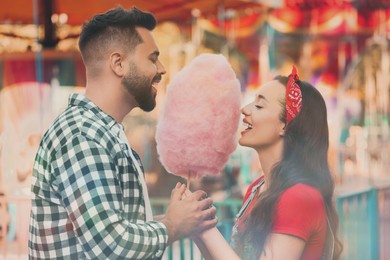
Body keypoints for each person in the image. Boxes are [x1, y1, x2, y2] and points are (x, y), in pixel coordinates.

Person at [29, 7, 217, 259]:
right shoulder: (83, 135)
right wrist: (172, 225)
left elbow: (109, 226)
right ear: (118, 64)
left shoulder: (102, 132)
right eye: (152, 58)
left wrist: (180, 217)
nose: (161, 69)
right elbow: (109, 245)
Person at [189, 67, 342, 260]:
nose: (245, 110)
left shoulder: (299, 197)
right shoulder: (257, 189)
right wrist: (197, 227)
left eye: (259, 106)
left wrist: (206, 232)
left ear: (285, 125)